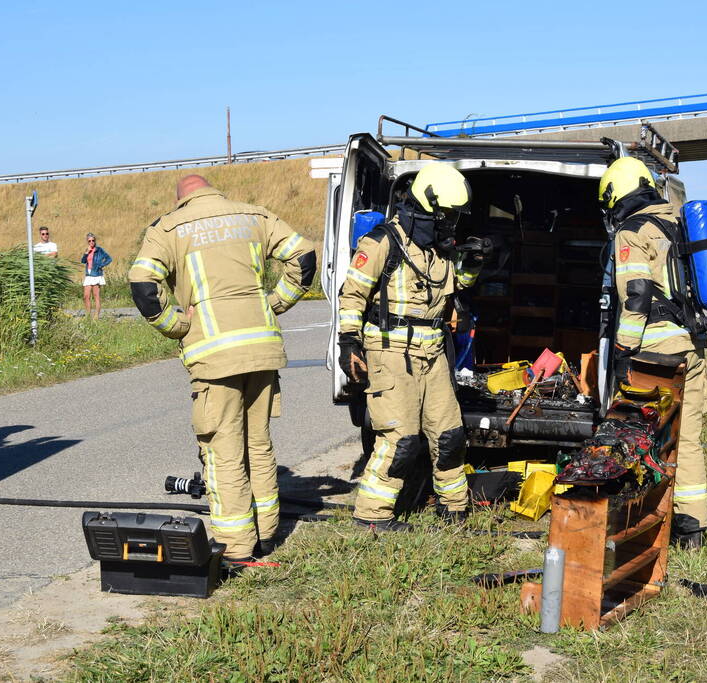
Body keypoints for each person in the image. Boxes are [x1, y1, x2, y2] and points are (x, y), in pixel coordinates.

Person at [129, 174, 315, 562]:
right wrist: (276, 302)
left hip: (215, 356)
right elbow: (304, 256)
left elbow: (143, 284)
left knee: (223, 450)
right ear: (215, 190)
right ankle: (266, 535)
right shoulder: (255, 216)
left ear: (182, 199)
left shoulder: (169, 227)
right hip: (262, 349)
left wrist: (177, 325)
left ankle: (235, 548)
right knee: (258, 443)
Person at [337, 162, 486, 532]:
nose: (451, 224)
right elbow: (352, 295)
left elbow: (457, 287)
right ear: (428, 207)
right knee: (400, 440)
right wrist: (348, 342)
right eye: (447, 216)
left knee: (449, 436)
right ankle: (372, 516)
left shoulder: (439, 250)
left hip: (433, 355)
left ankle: (454, 510)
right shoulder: (380, 243)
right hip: (390, 355)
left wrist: (474, 263)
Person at [598, 156, 707, 549]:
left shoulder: (632, 231)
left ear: (616, 195)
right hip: (693, 345)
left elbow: (637, 294)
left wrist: (625, 349)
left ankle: (627, 522)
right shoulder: (675, 223)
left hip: (658, 348)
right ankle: (692, 529)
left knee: (632, 436)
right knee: (688, 438)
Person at [81, 232, 112, 320]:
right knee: (86, 296)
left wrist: (101, 265)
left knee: (96, 296)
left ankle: (96, 317)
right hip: (89, 275)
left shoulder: (99, 250)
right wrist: (86, 253)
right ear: (87, 241)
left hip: (97, 274)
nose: (91, 242)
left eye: (93, 240)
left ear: (95, 241)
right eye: (89, 241)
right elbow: (83, 261)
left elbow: (109, 259)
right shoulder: (87, 250)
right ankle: (88, 315)